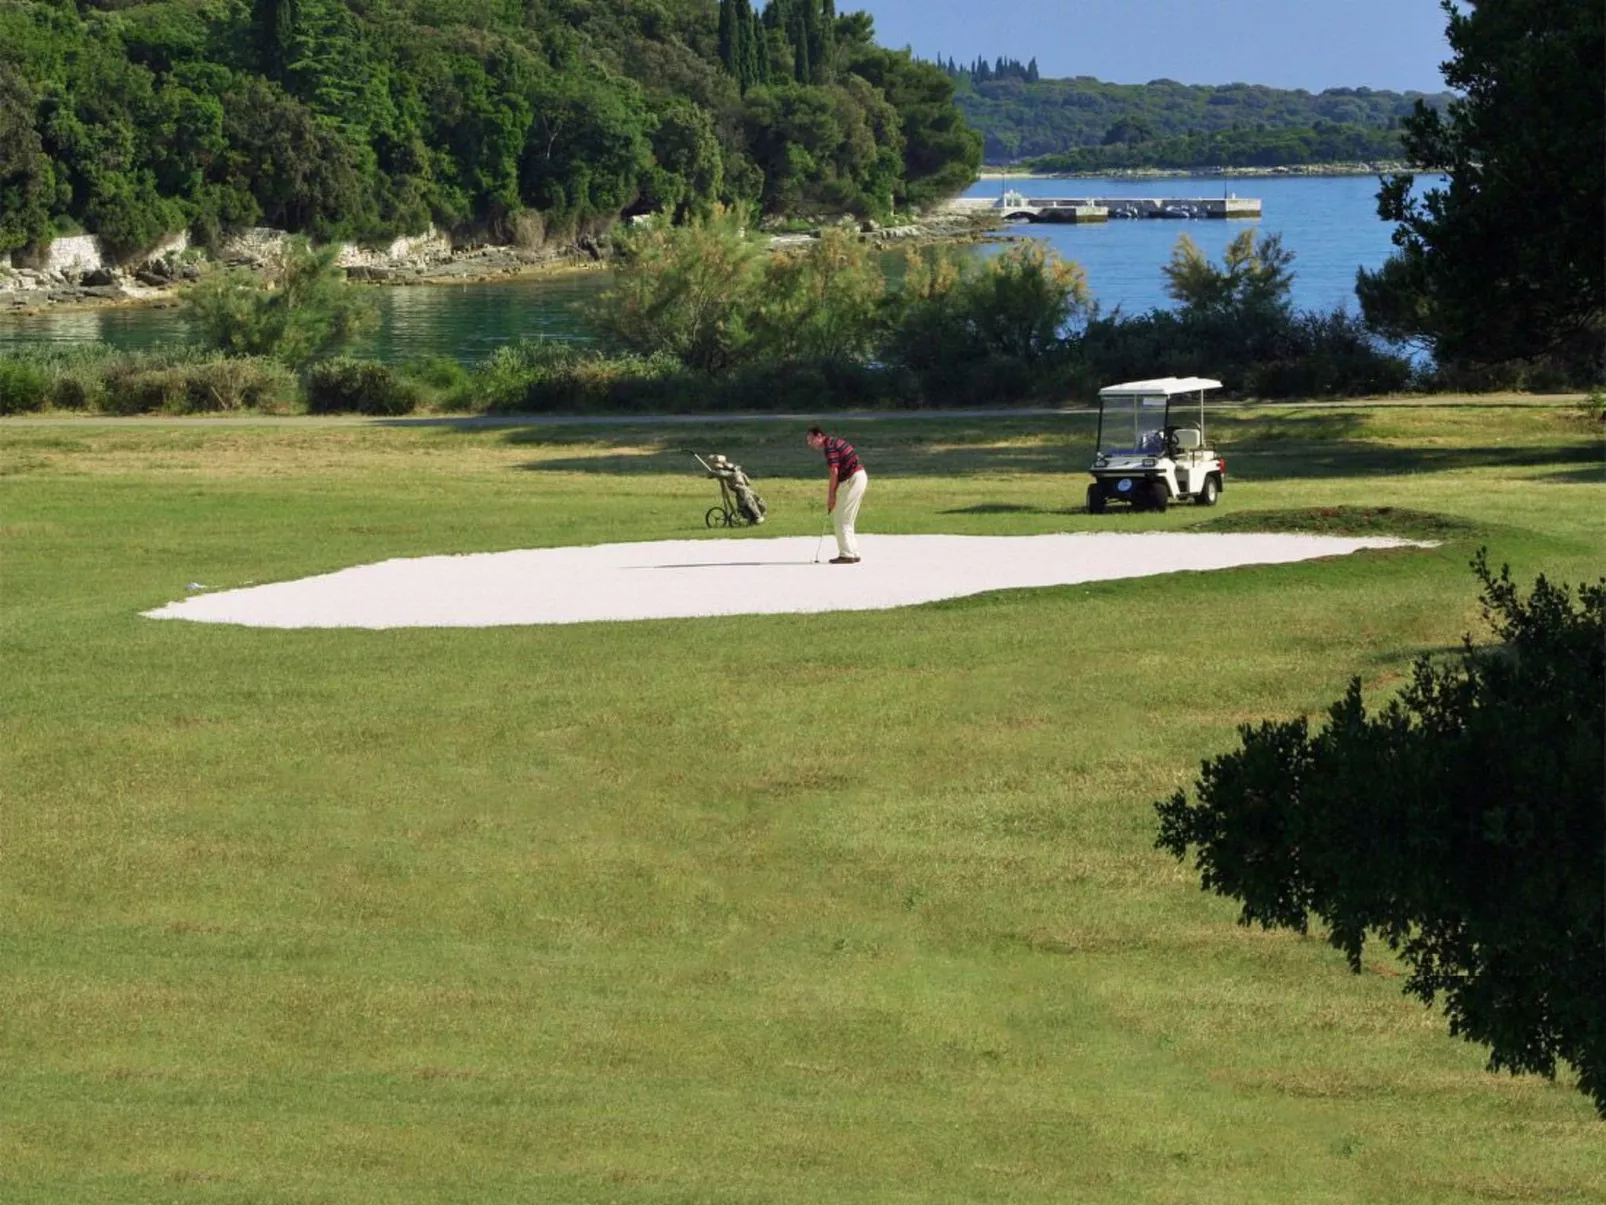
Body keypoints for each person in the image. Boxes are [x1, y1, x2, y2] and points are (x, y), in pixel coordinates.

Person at [806, 425, 867, 564]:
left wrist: (831, 496)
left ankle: (847, 554)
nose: (810, 444)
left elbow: (834, 472)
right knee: (847, 520)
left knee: (840, 519)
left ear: (819, 436)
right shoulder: (833, 442)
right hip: (859, 477)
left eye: (811, 440)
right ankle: (853, 552)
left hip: (853, 479)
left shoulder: (830, 447)